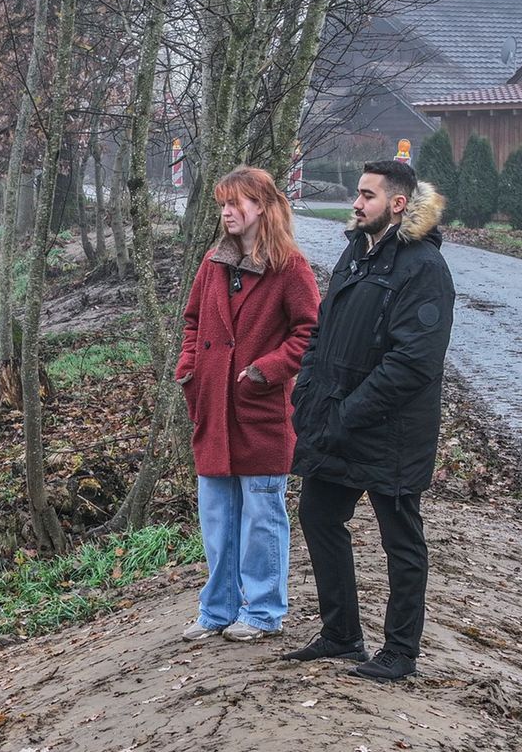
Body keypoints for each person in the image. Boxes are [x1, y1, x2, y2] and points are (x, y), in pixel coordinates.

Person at [283, 160, 454, 682]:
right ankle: (341, 634)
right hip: (336, 421)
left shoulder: (423, 267)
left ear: (398, 204)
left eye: (366, 195)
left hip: (392, 432)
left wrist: (349, 413)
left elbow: (413, 363)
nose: (355, 203)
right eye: (357, 195)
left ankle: (400, 652)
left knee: (400, 539)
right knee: (318, 514)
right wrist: (308, 392)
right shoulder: (358, 251)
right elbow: (323, 330)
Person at [176, 166, 320, 644]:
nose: (226, 212)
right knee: (217, 518)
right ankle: (216, 608)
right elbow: (193, 322)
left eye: (235, 203)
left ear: (261, 206)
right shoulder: (213, 261)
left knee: (262, 517)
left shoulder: (291, 268)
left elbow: (310, 332)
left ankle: (261, 611)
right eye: (223, 204)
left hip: (260, 411)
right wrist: (189, 371)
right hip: (213, 408)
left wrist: (267, 370)